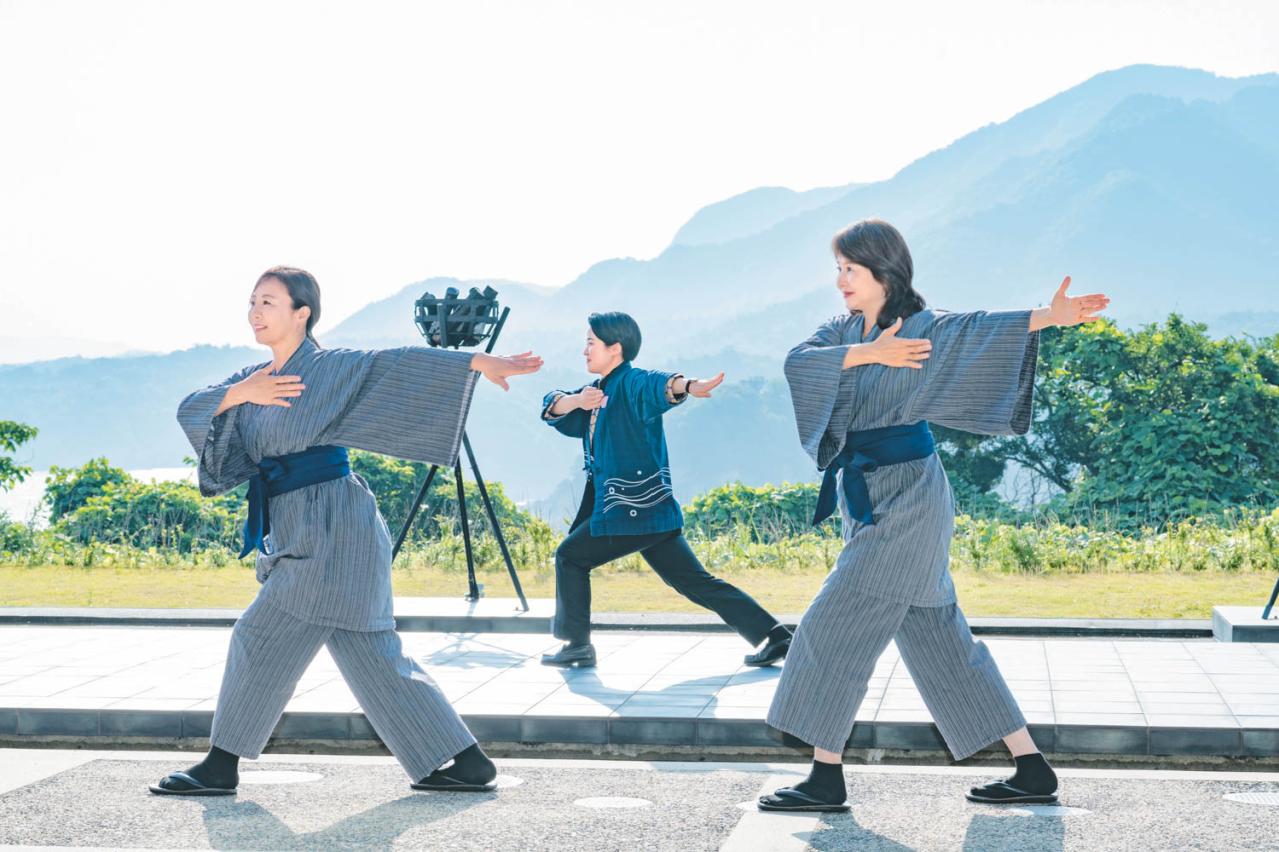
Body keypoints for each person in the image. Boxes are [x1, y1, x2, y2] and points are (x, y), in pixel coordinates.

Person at [150, 266, 542, 797]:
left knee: (258, 635)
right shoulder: (252, 377)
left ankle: (221, 766)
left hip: (336, 528)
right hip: (300, 525)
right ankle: (467, 762)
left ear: (302, 312)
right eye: (252, 302)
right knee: (375, 658)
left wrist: (477, 361)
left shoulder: (333, 368)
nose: (256, 312)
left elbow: (399, 364)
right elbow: (191, 408)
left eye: (269, 302)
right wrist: (243, 391)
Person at [759, 220, 1109, 813]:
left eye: (850, 269)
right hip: (865, 493)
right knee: (941, 641)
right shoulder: (842, 330)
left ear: (883, 271)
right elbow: (800, 362)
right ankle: (1031, 767)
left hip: (912, 500)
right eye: (838, 269)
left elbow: (979, 330)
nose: (840, 280)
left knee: (828, 626)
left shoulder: (924, 329)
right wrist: (867, 353)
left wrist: (1048, 316)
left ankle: (825, 776)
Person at [539, 311, 793, 669]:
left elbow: (659, 384)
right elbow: (552, 404)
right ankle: (775, 635)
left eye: (591, 343)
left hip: (631, 512)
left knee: (571, 556)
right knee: (693, 581)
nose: (584, 350)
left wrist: (688, 386)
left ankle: (576, 645)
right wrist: (578, 401)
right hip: (649, 511)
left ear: (616, 348)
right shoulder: (596, 392)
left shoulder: (630, 383)